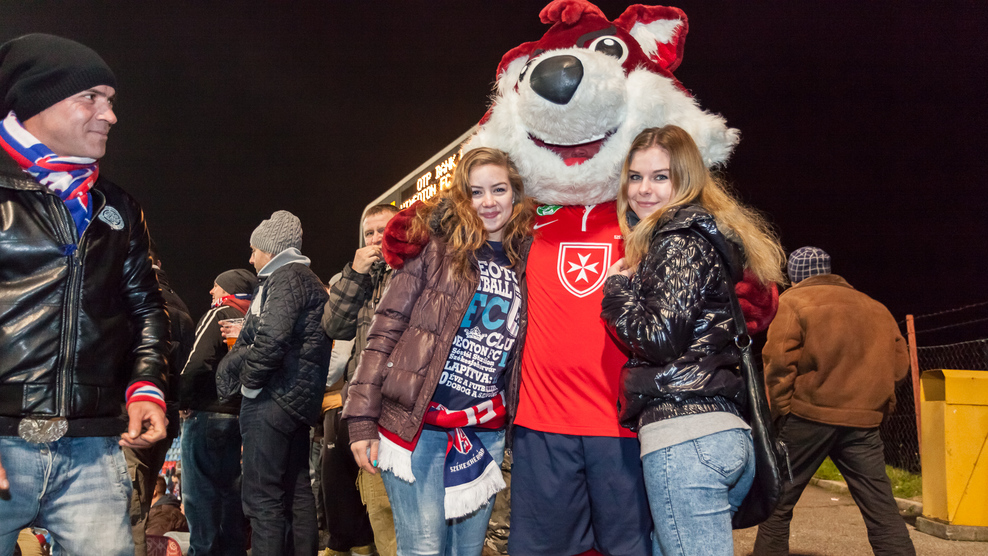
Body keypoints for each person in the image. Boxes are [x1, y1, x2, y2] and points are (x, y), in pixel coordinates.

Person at [0, 34, 170, 554]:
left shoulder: (117, 206)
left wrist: (146, 384)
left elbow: (147, 307)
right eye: (90, 97)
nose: (109, 115)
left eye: (111, 101)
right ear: (37, 101)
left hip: (92, 447)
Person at [600, 125, 786, 555]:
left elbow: (658, 338)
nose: (644, 189)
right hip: (717, 432)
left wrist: (616, 290)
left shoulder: (679, 240)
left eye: (660, 177)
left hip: (685, 438)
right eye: (635, 177)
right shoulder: (704, 236)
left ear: (686, 180)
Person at [343, 147, 534, 556]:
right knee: (424, 549)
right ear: (462, 197)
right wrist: (360, 419)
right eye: (476, 192)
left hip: (483, 431)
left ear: (515, 194)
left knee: (468, 551)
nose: (488, 202)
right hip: (418, 427)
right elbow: (384, 329)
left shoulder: (525, 260)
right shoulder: (433, 247)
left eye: (499, 189)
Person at [753, 247, 915, 555]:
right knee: (881, 510)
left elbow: (778, 362)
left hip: (807, 417)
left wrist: (781, 411)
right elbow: (899, 367)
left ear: (795, 276)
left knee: (777, 504)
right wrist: (876, 406)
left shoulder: (793, 302)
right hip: (863, 421)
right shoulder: (876, 307)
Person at [216, 210, 331, 556]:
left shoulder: (285, 277)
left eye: (254, 250)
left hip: (273, 398)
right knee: (297, 492)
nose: (251, 259)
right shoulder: (304, 279)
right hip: (296, 400)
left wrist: (250, 385)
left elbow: (271, 339)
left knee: (261, 497)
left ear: (270, 248)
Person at [322, 204, 399, 556]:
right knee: (377, 505)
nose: (376, 239)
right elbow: (333, 325)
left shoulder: (412, 268)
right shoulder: (359, 276)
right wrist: (355, 274)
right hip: (364, 408)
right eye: (369, 233)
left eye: (383, 230)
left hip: (399, 403)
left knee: (397, 506)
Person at [179, 268, 257, 556]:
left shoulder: (220, 314)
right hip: (237, 415)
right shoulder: (253, 321)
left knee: (199, 493)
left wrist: (182, 398)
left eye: (216, 286)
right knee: (229, 492)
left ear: (229, 291)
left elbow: (196, 361)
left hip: (207, 412)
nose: (211, 292)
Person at [125, 250, 196, 556]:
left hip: (132, 412)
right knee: (140, 501)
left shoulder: (132, 298)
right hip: (166, 415)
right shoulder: (181, 307)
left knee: (127, 505)